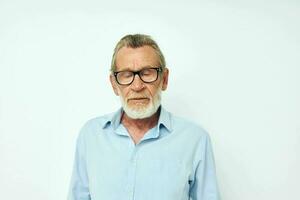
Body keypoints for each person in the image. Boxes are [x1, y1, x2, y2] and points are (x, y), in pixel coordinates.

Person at [68, 34, 221, 200]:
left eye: (147, 73)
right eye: (126, 75)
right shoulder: (91, 135)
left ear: (164, 79)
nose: (137, 86)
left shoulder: (195, 139)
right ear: (114, 84)